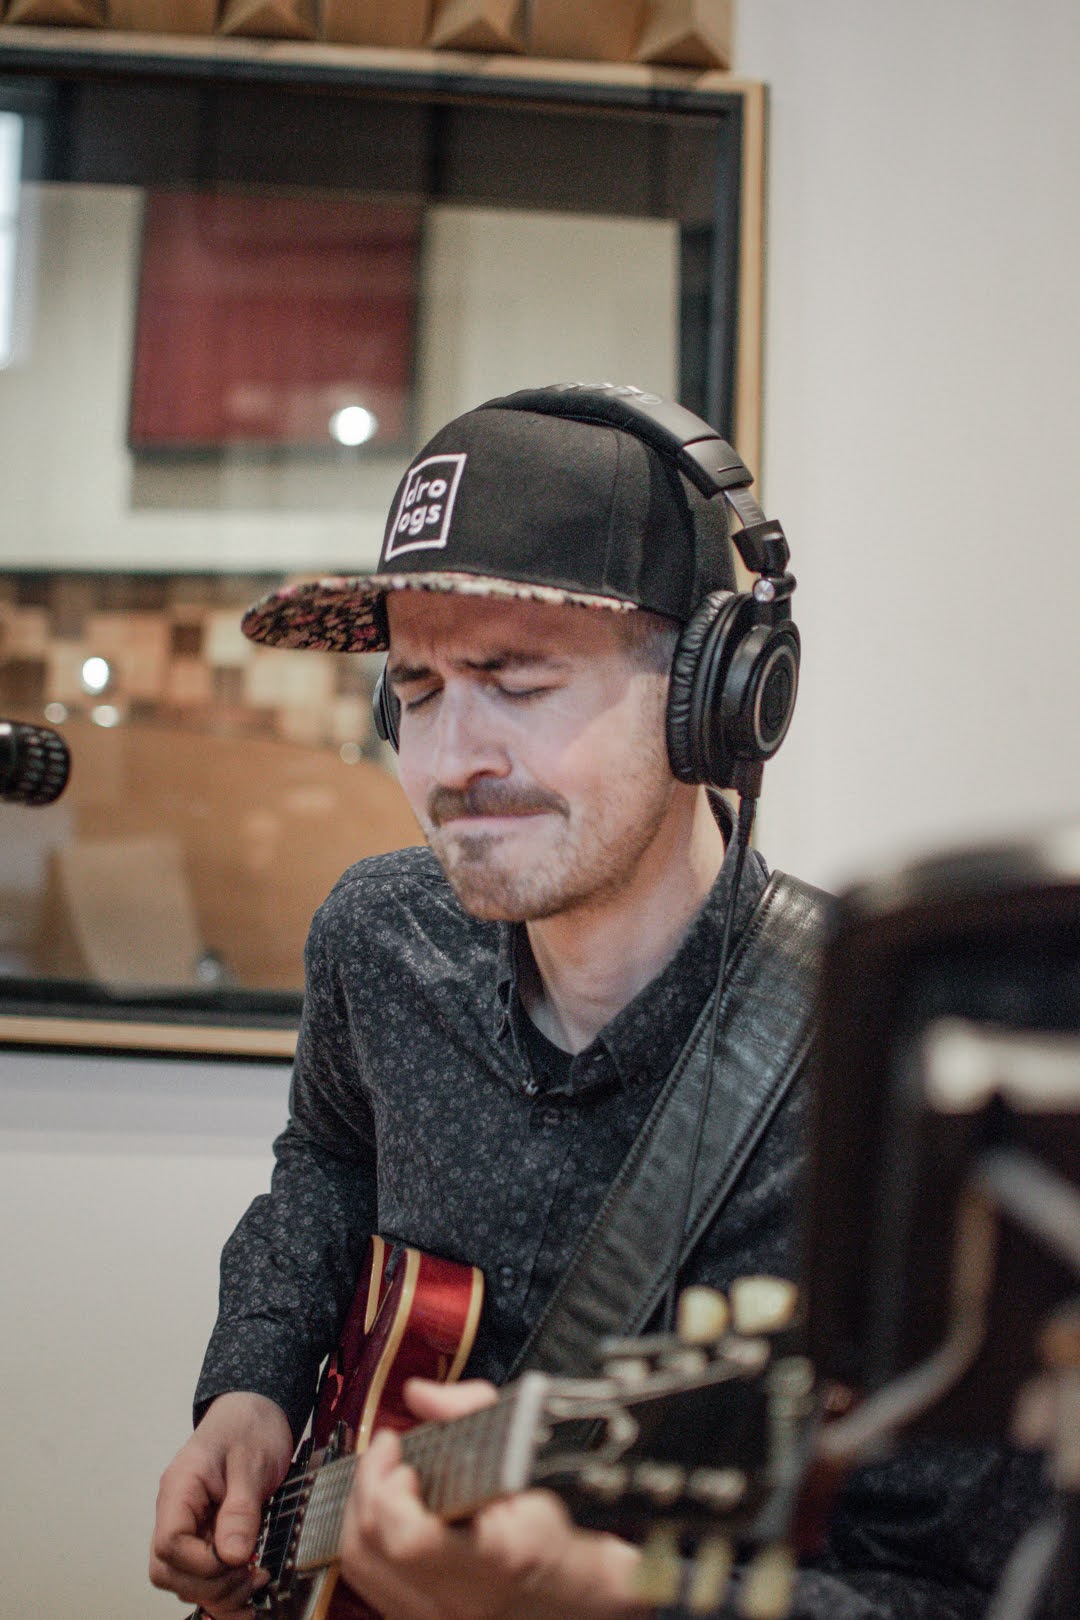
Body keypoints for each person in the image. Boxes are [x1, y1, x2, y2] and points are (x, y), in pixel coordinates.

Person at [150, 388, 1044, 1620]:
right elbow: (329, 1160)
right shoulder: (377, 936)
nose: (450, 761)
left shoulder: (895, 1069)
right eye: (418, 689)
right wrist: (252, 1386)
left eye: (516, 681)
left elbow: (962, 1588)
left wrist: (601, 1601)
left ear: (715, 697)